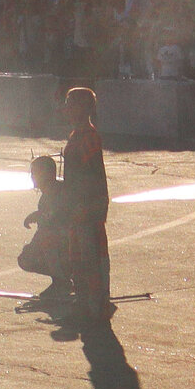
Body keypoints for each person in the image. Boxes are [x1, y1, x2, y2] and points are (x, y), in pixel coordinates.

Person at [61, 88, 113, 326]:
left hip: (87, 207)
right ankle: (83, 304)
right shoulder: (76, 135)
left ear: (83, 108)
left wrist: (84, 205)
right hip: (77, 206)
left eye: (71, 104)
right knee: (78, 258)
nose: (67, 108)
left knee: (91, 260)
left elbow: (90, 177)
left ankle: (96, 307)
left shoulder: (88, 137)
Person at [17, 155, 71, 299]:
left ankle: (62, 280)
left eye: (34, 173)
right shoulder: (46, 197)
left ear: (45, 174)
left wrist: (39, 216)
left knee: (46, 242)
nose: (32, 177)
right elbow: (44, 226)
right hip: (61, 244)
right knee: (26, 258)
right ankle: (61, 279)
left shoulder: (59, 193)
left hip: (69, 246)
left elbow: (54, 222)